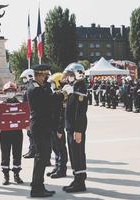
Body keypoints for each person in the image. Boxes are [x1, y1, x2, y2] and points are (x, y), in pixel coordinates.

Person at [27, 64, 55, 197]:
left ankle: (39, 186)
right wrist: (62, 94)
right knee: (41, 158)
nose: (46, 78)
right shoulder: (35, 89)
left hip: (42, 126)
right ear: (38, 75)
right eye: (44, 76)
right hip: (39, 127)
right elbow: (48, 102)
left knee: (42, 158)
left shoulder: (38, 87)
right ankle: (36, 189)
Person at [62, 63, 88, 193]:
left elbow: (80, 112)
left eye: (71, 75)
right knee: (74, 154)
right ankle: (77, 177)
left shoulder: (80, 88)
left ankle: (80, 182)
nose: (68, 77)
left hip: (76, 129)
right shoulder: (74, 87)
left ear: (78, 74)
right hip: (71, 128)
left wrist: (78, 130)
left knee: (77, 154)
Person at [0, 82, 24, 185]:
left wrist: (27, 125)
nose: (10, 93)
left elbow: (25, 118)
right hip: (5, 134)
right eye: (8, 91)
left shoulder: (21, 105)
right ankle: (6, 176)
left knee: (17, 154)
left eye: (12, 91)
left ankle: (16, 175)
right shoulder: (1, 106)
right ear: (5, 92)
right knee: (5, 154)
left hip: (17, 133)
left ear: (15, 92)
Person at [46, 73, 68, 179]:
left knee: (61, 149)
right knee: (55, 148)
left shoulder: (62, 96)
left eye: (53, 83)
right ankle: (57, 166)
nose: (52, 85)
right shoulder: (56, 94)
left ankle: (62, 170)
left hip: (58, 128)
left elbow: (62, 114)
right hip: (52, 126)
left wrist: (60, 129)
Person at [20, 69, 36, 159]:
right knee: (29, 133)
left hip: (31, 114)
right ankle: (31, 149)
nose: (23, 81)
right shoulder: (28, 88)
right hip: (28, 113)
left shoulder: (32, 88)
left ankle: (33, 151)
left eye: (24, 78)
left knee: (31, 133)